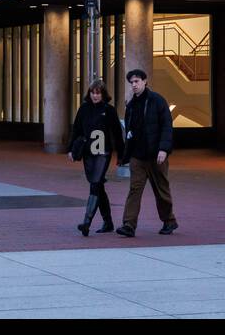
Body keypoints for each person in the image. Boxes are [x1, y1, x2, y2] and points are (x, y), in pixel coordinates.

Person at [116, 68, 177, 237]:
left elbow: (166, 126)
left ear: (145, 81)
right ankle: (128, 225)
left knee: (161, 190)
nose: (134, 85)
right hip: (138, 156)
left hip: (156, 155)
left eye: (136, 81)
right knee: (134, 190)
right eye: (131, 82)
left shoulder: (157, 101)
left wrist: (163, 149)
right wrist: (126, 155)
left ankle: (169, 221)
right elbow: (129, 130)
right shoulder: (131, 105)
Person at [69, 79, 125, 236]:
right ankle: (108, 222)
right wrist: (71, 149)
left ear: (103, 94)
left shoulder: (109, 110)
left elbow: (117, 134)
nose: (95, 96)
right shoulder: (84, 109)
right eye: (93, 93)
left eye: (98, 93)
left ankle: (86, 222)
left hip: (103, 152)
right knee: (98, 186)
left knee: (95, 184)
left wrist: (121, 156)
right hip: (88, 153)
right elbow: (76, 129)